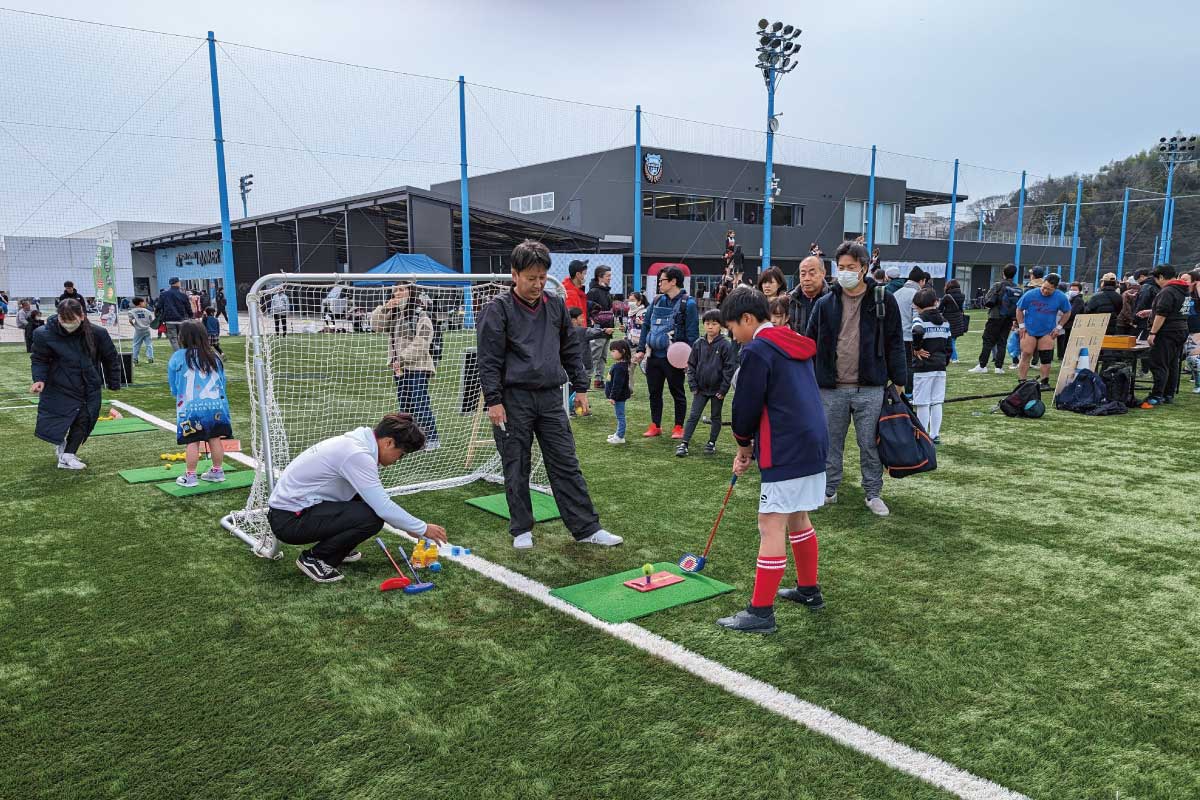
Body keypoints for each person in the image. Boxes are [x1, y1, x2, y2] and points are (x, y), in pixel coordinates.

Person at [477, 239, 622, 550]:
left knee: (566, 462)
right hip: (512, 399)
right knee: (516, 464)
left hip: (550, 397)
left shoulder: (555, 304)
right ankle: (521, 529)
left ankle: (586, 527)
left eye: (542, 277)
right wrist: (494, 400)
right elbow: (488, 359)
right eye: (531, 278)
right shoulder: (497, 309)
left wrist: (581, 388)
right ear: (514, 274)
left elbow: (570, 348)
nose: (538, 284)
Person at [714, 286, 829, 634]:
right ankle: (809, 591)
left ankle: (760, 612)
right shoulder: (790, 339)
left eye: (733, 328)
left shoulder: (758, 350)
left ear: (748, 319)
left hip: (786, 446)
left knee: (770, 524)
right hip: (812, 442)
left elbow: (745, 407)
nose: (733, 336)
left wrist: (743, 447)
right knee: (797, 516)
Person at [268, 413, 450, 583]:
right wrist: (423, 528)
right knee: (371, 518)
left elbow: (375, 499)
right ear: (388, 442)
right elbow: (383, 507)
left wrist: (408, 526)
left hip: (295, 510)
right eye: (400, 454)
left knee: (364, 501)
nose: (398, 460)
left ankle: (340, 548)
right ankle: (316, 558)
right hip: (290, 520)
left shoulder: (358, 443)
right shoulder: (357, 454)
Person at [805, 241, 906, 517]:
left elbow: (896, 342)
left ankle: (873, 493)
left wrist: (899, 379)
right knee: (830, 443)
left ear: (864, 268)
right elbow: (808, 341)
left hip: (870, 387)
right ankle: (829, 489)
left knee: (870, 444)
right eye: (841, 267)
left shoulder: (884, 300)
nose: (845, 272)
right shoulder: (825, 304)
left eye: (851, 267)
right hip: (831, 387)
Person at [30, 298, 122, 470]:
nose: (67, 324)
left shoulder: (97, 333)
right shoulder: (43, 334)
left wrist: (113, 382)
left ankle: (68, 455)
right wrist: (39, 379)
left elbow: (110, 358)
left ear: (82, 316)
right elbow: (39, 359)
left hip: (88, 384)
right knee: (59, 417)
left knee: (85, 418)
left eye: (71, 320)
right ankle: (62, 447)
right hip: (59, 384)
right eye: (64, 320)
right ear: (58, 317)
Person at [633, 265, 699, 439]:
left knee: (677, 392)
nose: (659, 284)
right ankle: (655, 425)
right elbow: (646, 326)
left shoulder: (688, 303)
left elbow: (693, 334)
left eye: (662, 280)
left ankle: (678, 427)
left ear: (673, 281)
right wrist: (641, 350)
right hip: (653, 355)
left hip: (675, 357)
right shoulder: (656, 301)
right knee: (654, 392)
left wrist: (690, 360)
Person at [371, 283, 439, 450]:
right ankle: (412, 440)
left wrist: (402, 358)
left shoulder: (421, 314)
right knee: (405, 406)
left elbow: (422, 342)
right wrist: (384, 309)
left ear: (411, 291)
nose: (398, 293)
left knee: (420, 403)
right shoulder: (393, 314)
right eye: (395, 290)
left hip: (418, 367)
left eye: (402, 289)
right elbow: (376, 326)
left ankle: (432, 439)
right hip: (399, 368)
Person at [168, 321, 232, 488]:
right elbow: (222, 382)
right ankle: (217, 471)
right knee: (215, 438)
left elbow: (174, 384)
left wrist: (176, 394)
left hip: (191, 408)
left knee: (193, 441)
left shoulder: (178, 356)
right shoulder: (214, 356)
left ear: (183, 337)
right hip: (216, 405)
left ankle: (190, 476)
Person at [677, 309, 735, 458]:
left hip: (717, 390)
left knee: (716, 416)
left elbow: (729, 369)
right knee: (694, 415)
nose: (710, 327)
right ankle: (684, 443)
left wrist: (723, 389)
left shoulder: (725, 345)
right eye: (707, 323)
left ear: (721, 326)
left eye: (714, 324)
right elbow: (691, 365)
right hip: (700, 389)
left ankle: (711, 442)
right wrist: (693, 385)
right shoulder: (698, 343)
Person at [1141, 265, 1190, 408]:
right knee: (1173, 364)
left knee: (1159, 363)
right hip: (1181, 330)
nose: (1157, 282)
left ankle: (1156, 395)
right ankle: (1168, 394)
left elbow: (1162, 314)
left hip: (1166, 332)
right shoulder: (1184, 290)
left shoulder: (1167, 291)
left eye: (1157, 279)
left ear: (1161, 277)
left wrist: (1153, 333)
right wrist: (1151, 312)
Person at [1016, 273, 1072, 386]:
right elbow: (1019, 309)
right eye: (1044, 287)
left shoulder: (1060, 297)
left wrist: (1058, 328)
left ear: (1055, 288)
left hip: (1047, 331)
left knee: (1046, 357)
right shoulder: (1030, 294)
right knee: (1026, 353)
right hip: (1030, 330)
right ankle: (1022, 382)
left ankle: (1044, 381)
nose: (1045, 291)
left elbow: (1067, 312)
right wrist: (1021, 326)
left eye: (1049, 289)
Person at [910, 289, 951, 443]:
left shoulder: (919, 319)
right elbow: (949, 345)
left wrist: (916, 348)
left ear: (917, 305)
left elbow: (917, 331)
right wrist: (944, 360)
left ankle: (922, 434)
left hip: (924, 367)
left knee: (922, 402)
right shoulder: (945, 321)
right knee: (937, 401)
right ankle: (935, 434)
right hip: (940, 366)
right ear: (935, 302)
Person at [970, 263, 1021, 374]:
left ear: (1003, 273)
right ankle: (999, 367)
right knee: (1002, 342)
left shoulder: (998, 285)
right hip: (1008, 318)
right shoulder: (1016, 287)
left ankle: (982, 365)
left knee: (988, 340)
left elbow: (987, 299)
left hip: (995, 316)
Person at [893, 267, 929, 396]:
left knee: (896, 365)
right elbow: (916, 318)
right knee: (910, 366)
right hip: (909, 336)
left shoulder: (897, 292)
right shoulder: (916, 294)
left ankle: (896, 393)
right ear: (922, 281)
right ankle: (909, 393)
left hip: (895, 336)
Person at [567, 306, 607, 416]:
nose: (583, 319)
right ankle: (574, 408)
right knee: (579, 387)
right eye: (580, 317)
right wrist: (604, 330)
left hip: (570, 364)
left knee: (572, 387)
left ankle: (578, 407)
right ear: (573, 320)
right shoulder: (581, 331)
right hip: (581, 363)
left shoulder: (565, 330)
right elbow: (593, 332)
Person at [586, 265, 617, 388]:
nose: (610, 278)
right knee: (594, 355)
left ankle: (599, 380)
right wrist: (596, 326)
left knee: (603, 356)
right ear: (600, 277)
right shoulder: (593, 292)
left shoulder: (607, 292)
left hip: (607, 329)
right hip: (598, 329)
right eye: (608, 276)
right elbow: (588, 310)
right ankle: (586, 379)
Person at [788, 255, 827, 333]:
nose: (807, 278)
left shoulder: (833, 298)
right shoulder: (789, 299)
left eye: (812, 273)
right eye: (803, 274)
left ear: (823, 273)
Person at [605, 339, 633, 445]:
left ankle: (620, 436)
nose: (611, 353)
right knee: (619, 415)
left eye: (614, 351)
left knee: (620, 416)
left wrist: (613, 397)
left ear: (623, 352)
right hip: (618, 396)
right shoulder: (619, 365)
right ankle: (618, 433)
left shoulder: (620, 367)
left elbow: (618, 384)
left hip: (619, 397)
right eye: (611, 351)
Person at [159, 277, 193, 350]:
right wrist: (191, 316)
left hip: (169, 320)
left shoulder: (164, 294)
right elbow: (188, 307)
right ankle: (183, 353)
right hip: (182, 320)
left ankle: (178, 354)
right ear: (177, 283)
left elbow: (159, 306)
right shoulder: (183, 295)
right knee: (182, 338)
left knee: (173, 339)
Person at [939, 279, 967, 363]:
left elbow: (940, 309)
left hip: (949, 320)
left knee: (950, 340)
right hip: (958, 320)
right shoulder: (962, 295)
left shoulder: (947, 297)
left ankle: (954, 358)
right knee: (953, 339)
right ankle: (953, 357)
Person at [1057, 281, 1087, 361]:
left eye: (1074, 289)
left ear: (1079, 291)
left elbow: (1073, 312)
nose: (1072, 291)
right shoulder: (1071, 299)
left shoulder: (1078, 300)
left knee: (1067, 342)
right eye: (1071, 289)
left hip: (1072, 325)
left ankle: (1065, 357)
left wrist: (1064, 316)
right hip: (1068, 324)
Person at [1133, 267, 1160, 342]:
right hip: (1154, 319)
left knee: (1140, 342)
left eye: (1137, 280)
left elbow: (1142, 303)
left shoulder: (1146, 286)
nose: (1137, 282)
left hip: (1144, 320)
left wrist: (1135, 318)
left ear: (1142, 276)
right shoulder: (1158, 285)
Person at [127, 296, 155, 364]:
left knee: (136, 344)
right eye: (143, 302)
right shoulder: (147, 311)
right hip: (147, 329)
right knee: (149, 344)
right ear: (140, 303)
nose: (145, 303)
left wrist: (134, 325)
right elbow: (151, 320)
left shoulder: (131, 311)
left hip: (138, 330)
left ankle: (135, 358)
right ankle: (150, 357)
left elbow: (130, 320)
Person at [564, 259, 589, 324]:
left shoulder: (577, 291)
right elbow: (573, 321)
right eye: (584, 274)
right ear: (578, 274)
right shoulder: (570, 294)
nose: (585, 276)